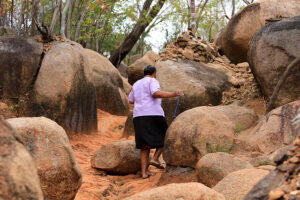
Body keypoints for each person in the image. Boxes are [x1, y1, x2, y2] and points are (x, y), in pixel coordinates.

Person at [128, 65, 183, 179]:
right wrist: (173, 94)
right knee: (166, 137)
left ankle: (144, 173)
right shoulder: (153, 81)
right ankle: (155, 158)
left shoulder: (137, 84)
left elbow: (130, 100)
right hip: (153, 114)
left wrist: (142, 100)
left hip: (138, 116)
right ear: (154, 73)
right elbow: (155, 93)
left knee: (144, 146)